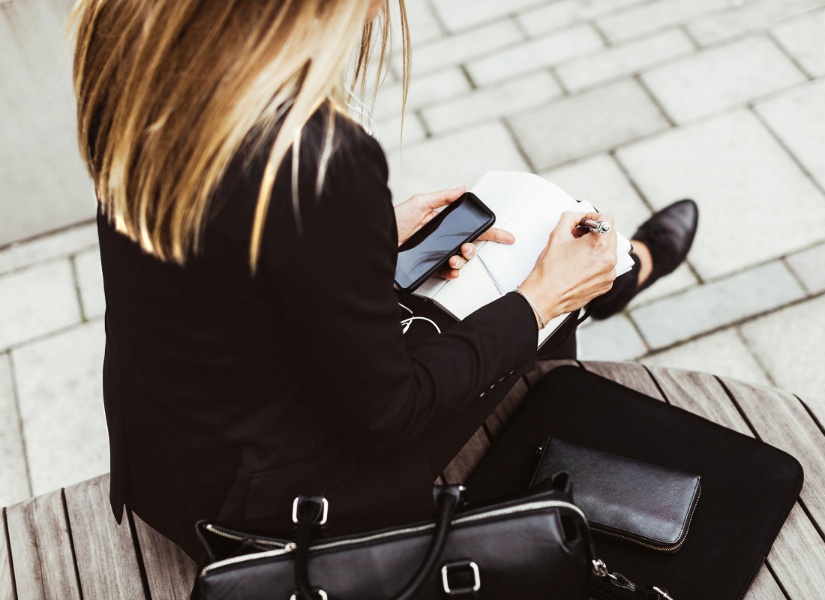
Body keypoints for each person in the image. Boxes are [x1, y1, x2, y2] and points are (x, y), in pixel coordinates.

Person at [70, 0, 697, 563]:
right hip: (267, 509)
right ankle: (618, 275)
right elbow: (388, 414)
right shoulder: (313, 158)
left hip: (165, 466)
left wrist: (353, 243)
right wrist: (539, 302)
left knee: (493, 289)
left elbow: (212, 266)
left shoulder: (135, 57)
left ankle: (611, 278)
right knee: (535, 293)